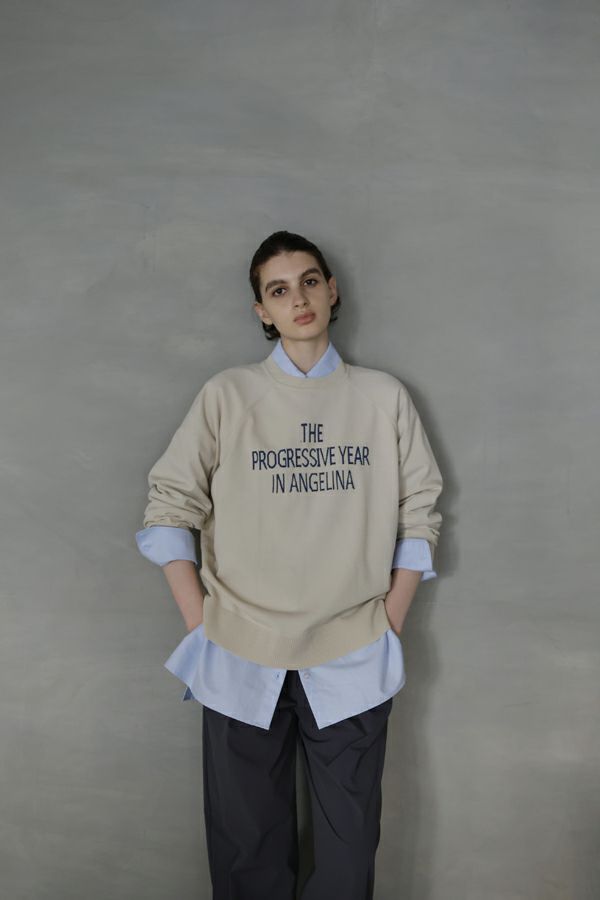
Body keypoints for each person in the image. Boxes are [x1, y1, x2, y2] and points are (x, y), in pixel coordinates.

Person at [135, 230, 443, 900]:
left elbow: (419, 513)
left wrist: (390, 620)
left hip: (353, 651)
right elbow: (168, 506)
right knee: (247, 856)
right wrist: (201, 623)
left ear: (332, 290)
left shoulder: (383, 397)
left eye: (308, 281)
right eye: (278, 290)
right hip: (239, 652)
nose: (297, 298)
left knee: (348, 856)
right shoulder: (227, 395)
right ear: (262, 311)